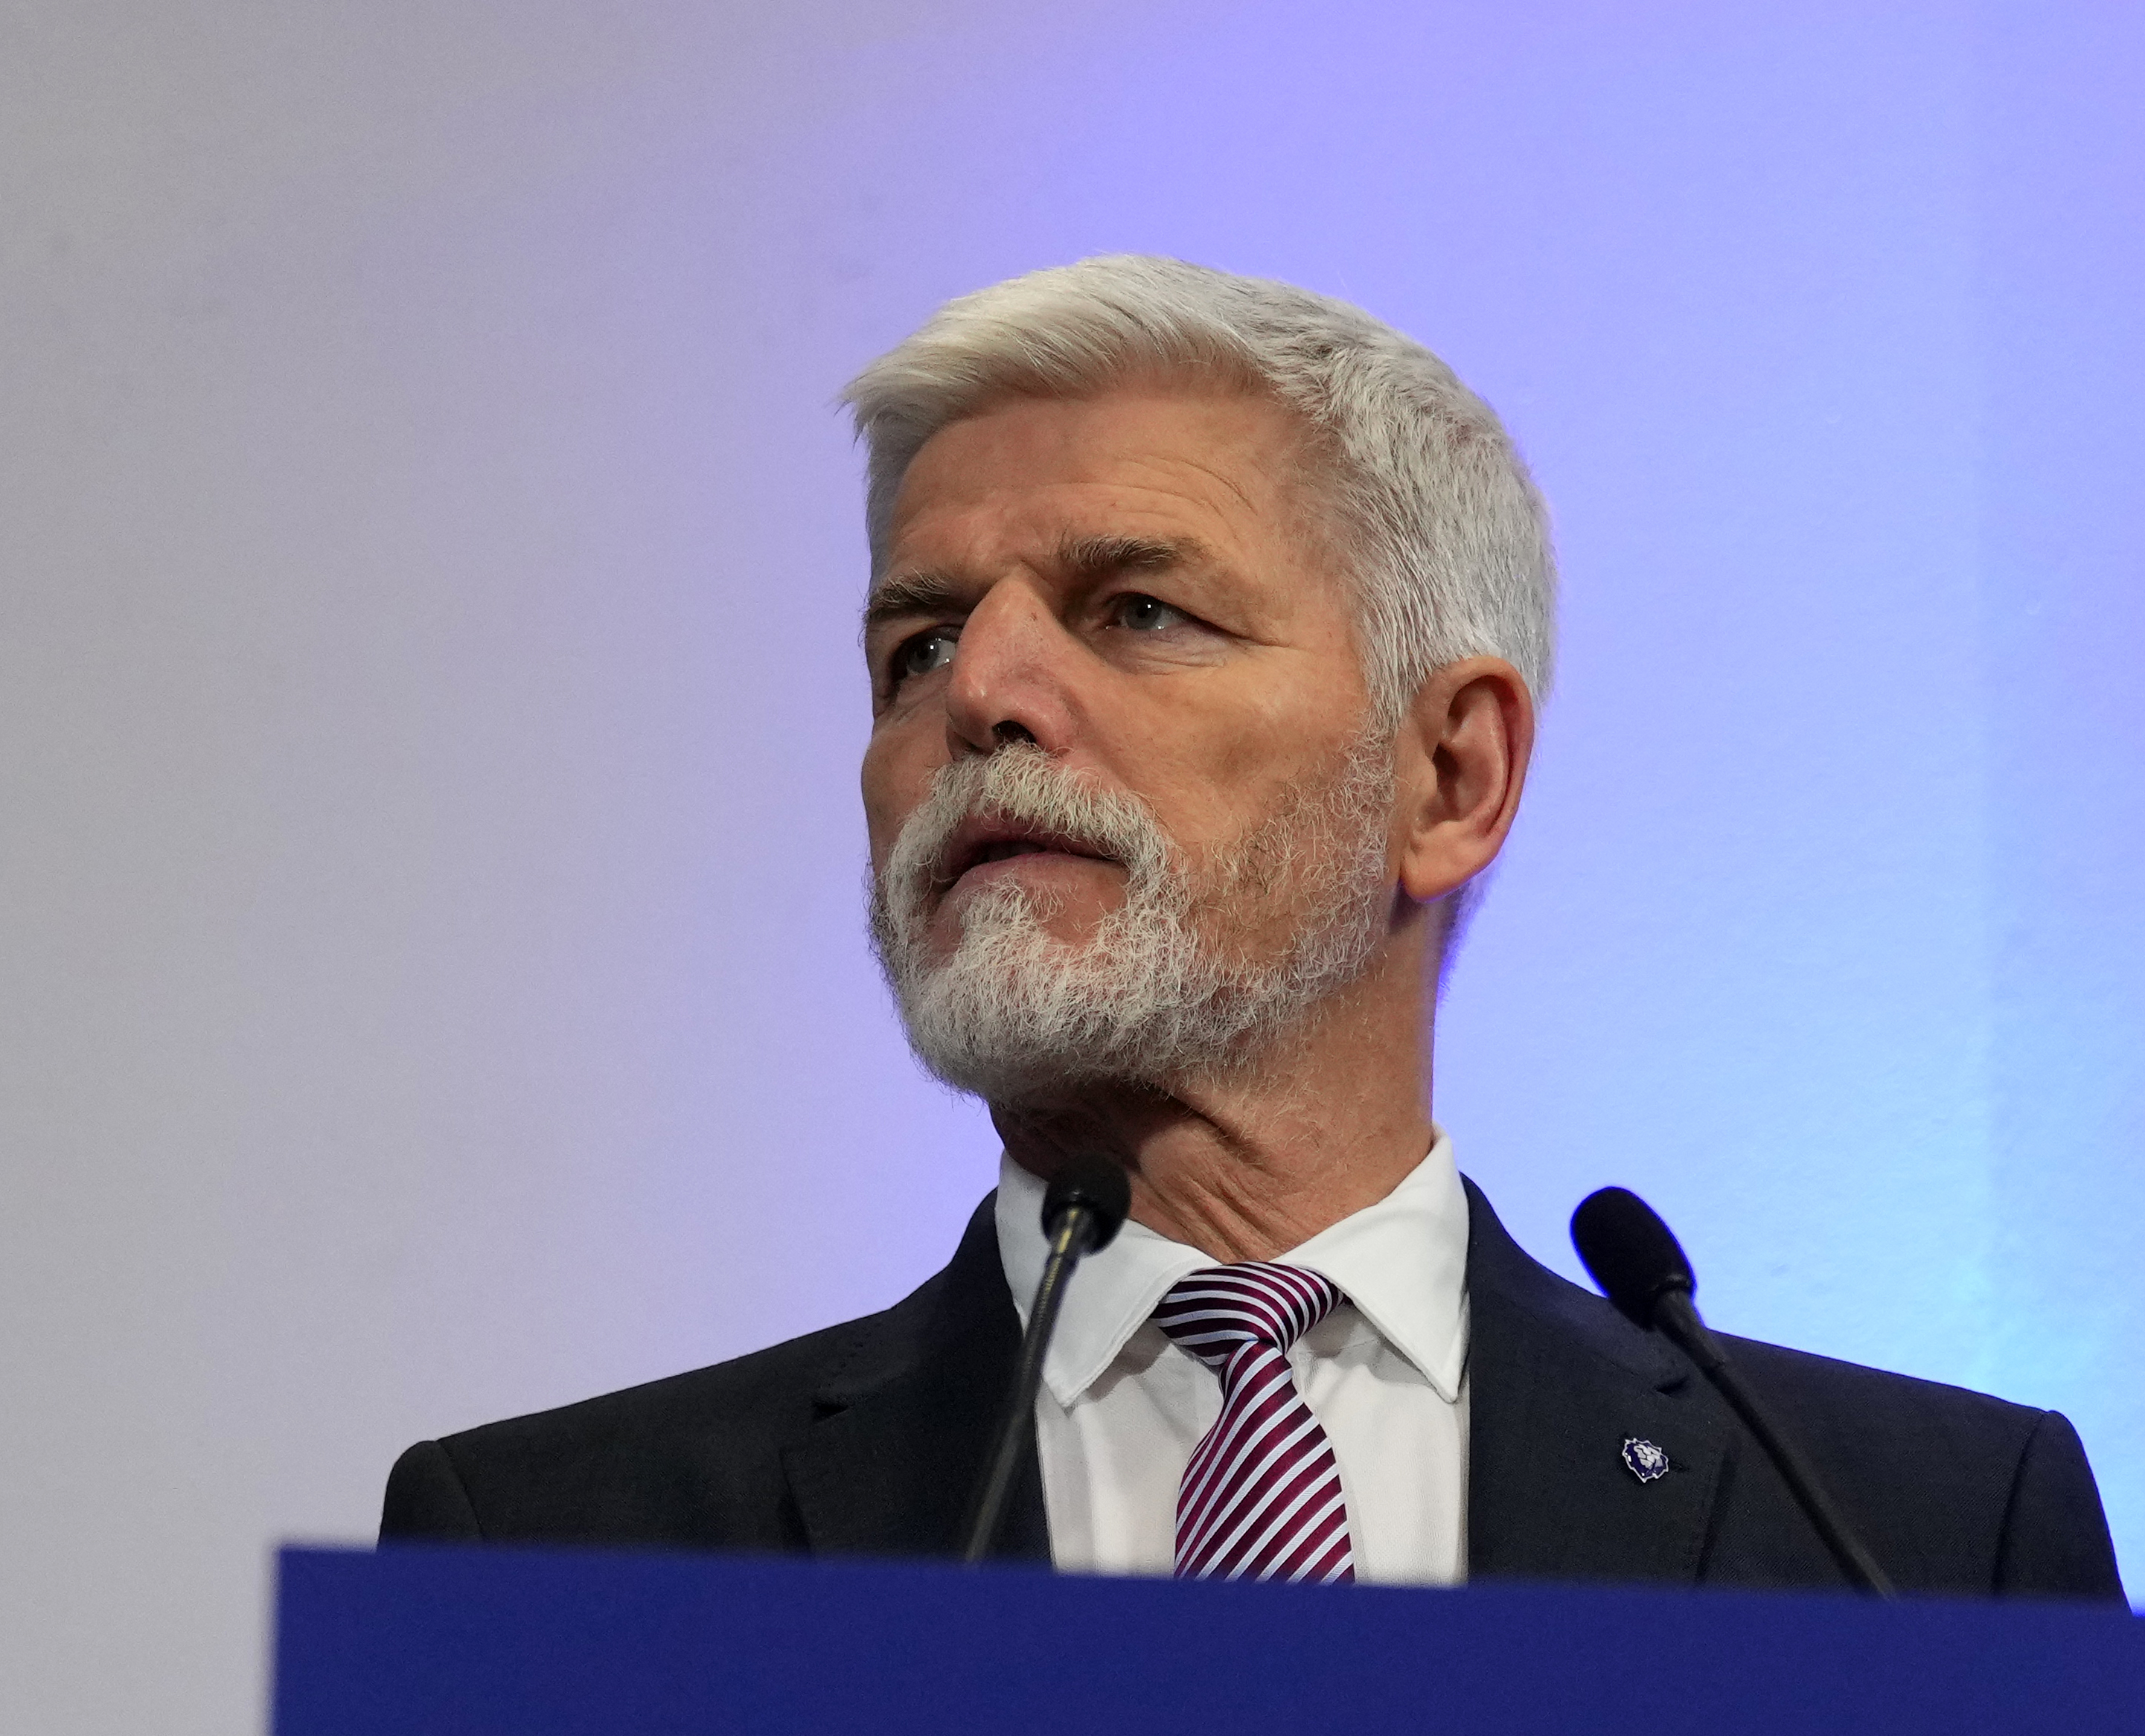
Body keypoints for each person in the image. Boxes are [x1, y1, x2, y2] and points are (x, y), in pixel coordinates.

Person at [380, 256, 2123, 1597]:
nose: (981, 692)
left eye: (1137, 610)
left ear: (1448, 775)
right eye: (918, 645)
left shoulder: (1915, 1538)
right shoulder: (553, 1557)